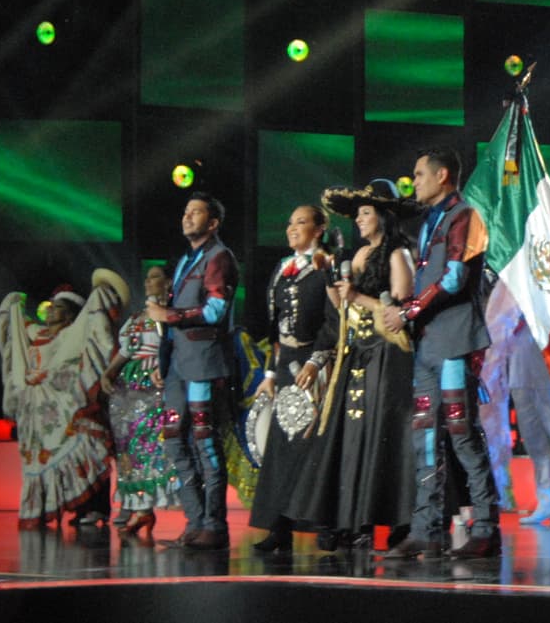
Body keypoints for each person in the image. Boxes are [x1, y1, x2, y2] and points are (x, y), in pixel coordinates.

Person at [382, 148, 501, 559]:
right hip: (428, 345)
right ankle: (426, 529)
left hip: (456, 342)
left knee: (461, 432)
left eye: (419, 174)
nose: (413, 181)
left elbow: (454, 278)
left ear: (442, 175)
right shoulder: (430, 221)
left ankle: (486, 527)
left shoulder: (465, 216)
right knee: (425, 437)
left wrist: (409, 311)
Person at [289, 179, 417, 550]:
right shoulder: (358, 255)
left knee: (383, 436)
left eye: (365, 212)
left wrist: (358, 295)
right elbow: (342, 308)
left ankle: (396, 521)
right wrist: (330, 278)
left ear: (383, 215)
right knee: (350, 437)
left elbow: (403, 310)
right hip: (355, 351)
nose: (358, 220)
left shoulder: (398, 255)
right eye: (357, 214)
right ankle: (349, 520)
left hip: (387, 354)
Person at [0, 271, 127, 530]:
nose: (51, 311)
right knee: (46, 461)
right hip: (37, 414)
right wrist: (13, 304)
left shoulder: (72, 336)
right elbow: (12, 323)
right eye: (51, 307)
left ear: (69, 314)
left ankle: (94, 508)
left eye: (58, 308)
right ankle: (57, 507)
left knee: (87, 450)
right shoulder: (35, 335)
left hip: (70, 406)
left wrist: (101, 293)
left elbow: (94, 321)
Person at [153, 192, 240, 551]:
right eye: (185, 211)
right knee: (174, 437)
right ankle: (193, 520)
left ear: (213, 222)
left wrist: (169, 315)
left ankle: (214, 525)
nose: (187, 217)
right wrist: (163, 361)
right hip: (178, 364)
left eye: (196, 212)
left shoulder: (219, 257)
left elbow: (216, 309)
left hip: (204, 362)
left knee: (205, 441)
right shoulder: (187, 260)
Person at [249, 204, 336, 555]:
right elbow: (276, 327)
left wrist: (316, 362)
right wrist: (270, 372)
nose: (292, 228)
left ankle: (326, 526)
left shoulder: (326, 266)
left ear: (318, 229)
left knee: (314, 445)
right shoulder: (282, 271)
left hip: (316, 364)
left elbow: (334, 321)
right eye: (290, 222)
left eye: (301, 222)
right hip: (287, 366)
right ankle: (279, 527)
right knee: (282, 448)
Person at [480, 309, 550, 526]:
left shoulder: (538, 302)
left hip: (543, 380)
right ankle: (547, 501)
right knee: (535, 445)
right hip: (518, 382)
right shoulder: (505, 306)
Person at [101, 264, 179, 537]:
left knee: (155, 447)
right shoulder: (135, 318)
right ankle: (138, 508)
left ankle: (152, 507)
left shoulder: (172, 315)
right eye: (146, 277)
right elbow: (125, 352)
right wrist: (109, 372)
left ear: (169, 283)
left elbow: (176, 345)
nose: (148, 282)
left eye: (155, 277)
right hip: (128, 389)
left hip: (157, 383)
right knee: (129, 448)